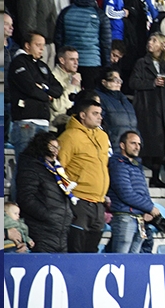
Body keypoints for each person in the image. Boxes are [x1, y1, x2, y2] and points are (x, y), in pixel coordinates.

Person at [130, 33, 165, 185]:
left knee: (164, 145)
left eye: (154, 40)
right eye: (149, 40)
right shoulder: (142, 63)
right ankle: (147, 177)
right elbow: (133, 83)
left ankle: (157, 177)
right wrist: (152, 83)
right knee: (151, 144)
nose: (150, 42)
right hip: (148, 107)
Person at [57, 95, 112, 251]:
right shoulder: (69, 137)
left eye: (100, 114)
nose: (99, 117)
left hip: (99, 203)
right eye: (95, 113)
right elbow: (58, 167)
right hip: (79, 202)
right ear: (82, 115)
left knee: (91, 251)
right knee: (76, 249)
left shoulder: (102, 136)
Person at [106, 130, 164, 252]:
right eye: (133, 143)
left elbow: (144, 192)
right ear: (122, 145)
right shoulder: (117, 164)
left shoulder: (137, 165)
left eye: (138, 144)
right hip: (124, 218)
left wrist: (148, 210)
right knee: (120, 261)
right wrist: (149, 208)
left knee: (133, 261)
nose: (137, 147)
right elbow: (126, 193)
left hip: (140, 218)